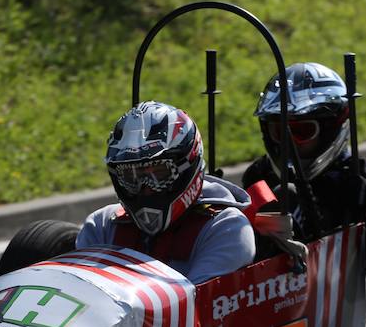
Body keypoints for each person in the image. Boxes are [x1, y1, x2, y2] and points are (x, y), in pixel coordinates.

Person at [241, 62, 366, 303]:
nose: (289, 145)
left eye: (301, 132)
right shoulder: (259, 177)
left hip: (332, 322)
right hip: (265, 309)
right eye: (280, 132)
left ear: (332, 127)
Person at [76, 101, 256, 284]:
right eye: (131, 176)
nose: (145, 188)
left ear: (186, 165)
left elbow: (194, 306)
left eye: (159, 173)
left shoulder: (226, 227)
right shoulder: (102, 226)